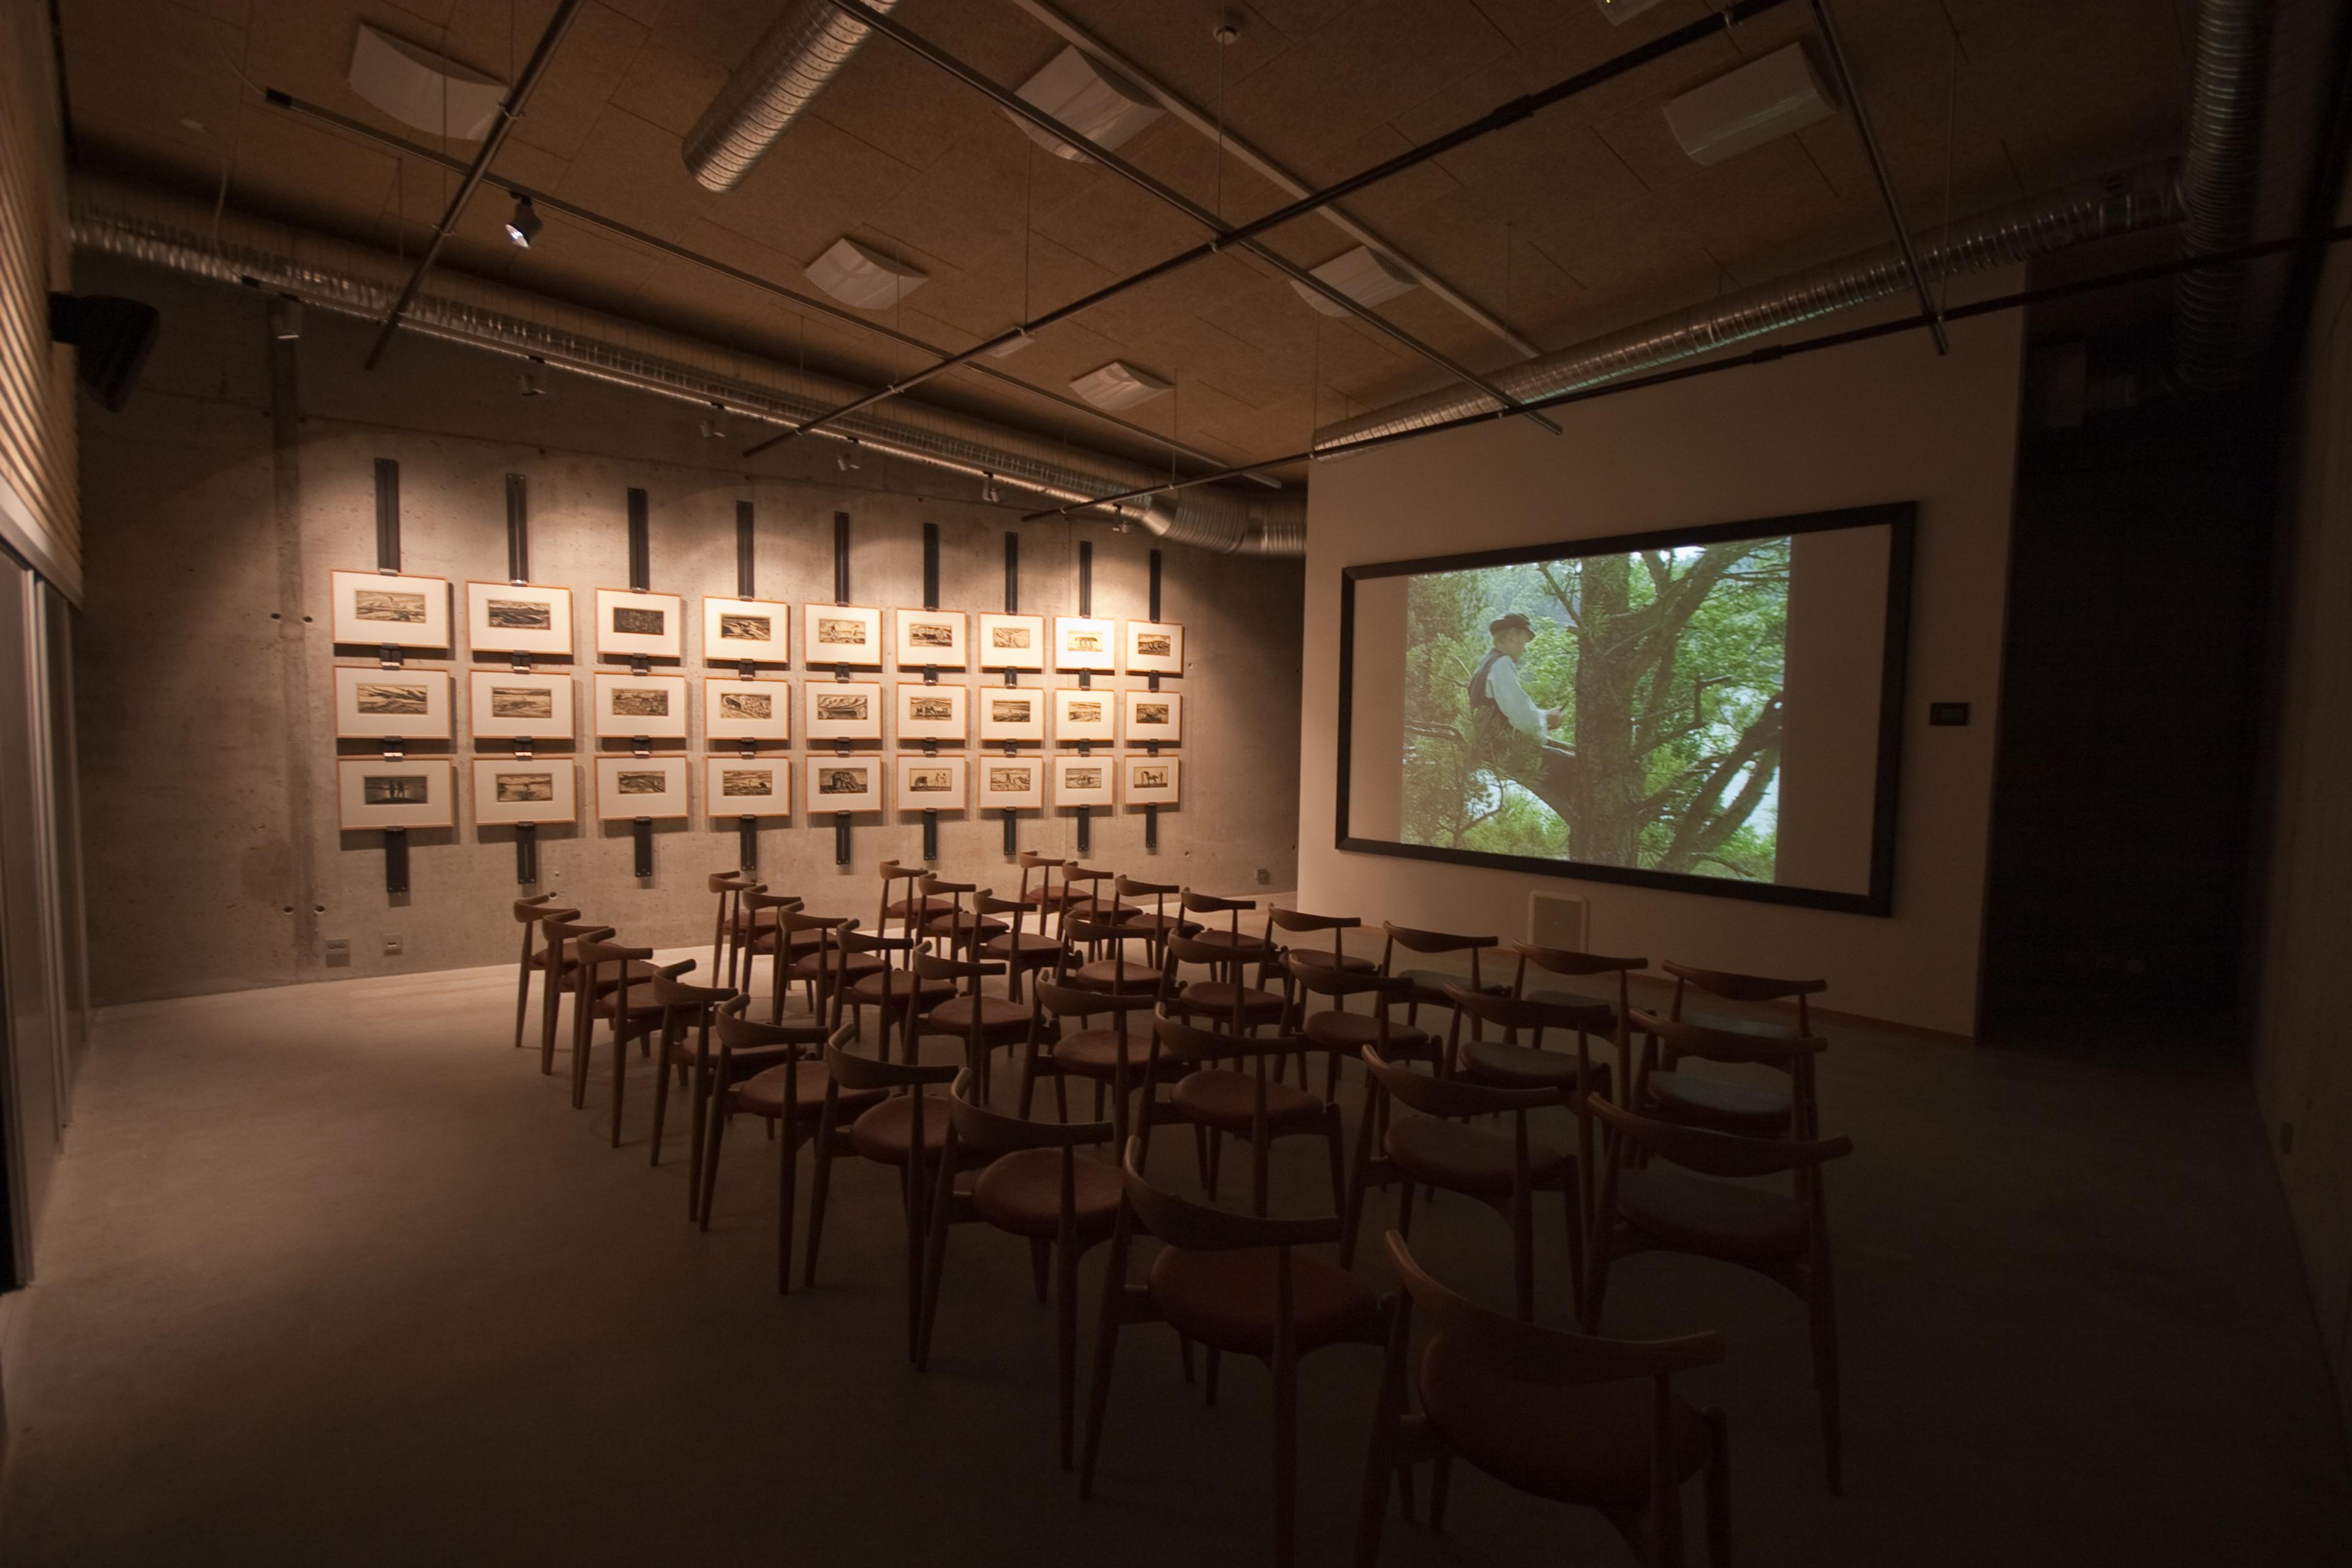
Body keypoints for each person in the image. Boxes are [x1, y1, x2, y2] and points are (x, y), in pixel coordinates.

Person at [1466, 612, 1575, 784]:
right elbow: (1522, 717)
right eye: (1524, 642)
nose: (1525, 649)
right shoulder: (1501, 665)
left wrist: (1545, 715)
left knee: (1573, 751)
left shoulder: (1486, 665)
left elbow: (1511, 709)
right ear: (1512, 635)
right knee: (1581, 766)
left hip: (1495, 752)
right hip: (1510, 755)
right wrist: (1547, 719)